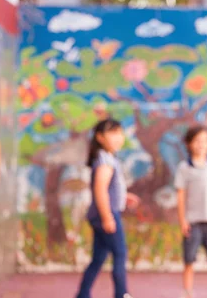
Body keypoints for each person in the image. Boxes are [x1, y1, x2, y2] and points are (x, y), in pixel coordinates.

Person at [76, 118, 140, 298]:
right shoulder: (105, 160)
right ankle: (122, 293)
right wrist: (107, 217)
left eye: (120, 132)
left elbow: (109, 188)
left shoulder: (108, 158)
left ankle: (82, 294)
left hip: (101, 214)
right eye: (112, 133)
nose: (118, 137)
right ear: (100, 137)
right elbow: (100, 189)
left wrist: (123, 197)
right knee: (120, 254)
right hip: (106, 215)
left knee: (98, 259)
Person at [175, 125, 207, 298]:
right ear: (188, 144)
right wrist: (183, 221)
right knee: (189, 259)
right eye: (197, 141)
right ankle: (188, 292)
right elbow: (180, 196)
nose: (201, 144)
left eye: (205, 141)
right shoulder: (184, 168)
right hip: (193, 221)